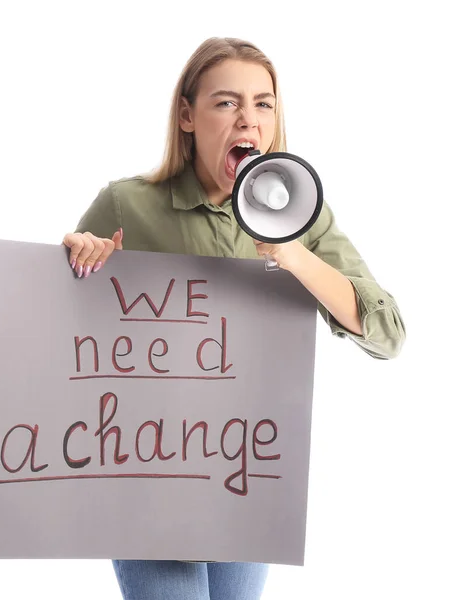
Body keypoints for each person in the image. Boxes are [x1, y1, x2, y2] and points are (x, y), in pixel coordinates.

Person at [62, 37, 405, 600]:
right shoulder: (128, 204)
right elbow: (64, 325)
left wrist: (295, 254)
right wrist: (81, 257)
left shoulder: (300, 213)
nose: (248, 118)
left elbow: (388, 333)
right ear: (187, 115)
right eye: (226, 102)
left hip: (243, 472)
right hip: (148, 475)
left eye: (263, 104)